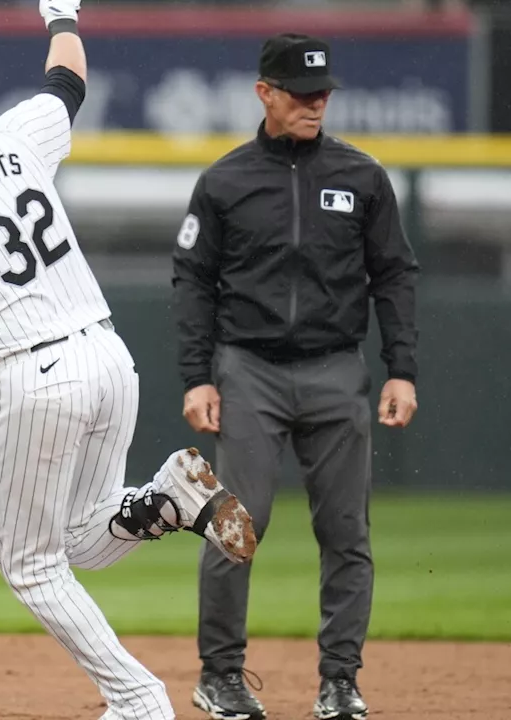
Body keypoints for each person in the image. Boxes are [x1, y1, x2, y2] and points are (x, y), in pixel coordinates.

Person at [0, 4, 258, 719]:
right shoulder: (15, 138)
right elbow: (67, 79)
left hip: (29, 377)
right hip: (106, 354)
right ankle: (170, 500)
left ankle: (137, 700)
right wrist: (61, 11)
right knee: (82, 540)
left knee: (31, 567)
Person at [171, 32, 420, 720]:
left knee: (346, 534)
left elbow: (394, 275)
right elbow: (192, 281)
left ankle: (340, 681)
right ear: (266, 94)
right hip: (248, 370)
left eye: (323, 94)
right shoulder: (225, 181)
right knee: (235, 526)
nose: (316, 105)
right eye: (303, 94)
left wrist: (402, 369)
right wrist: (198, 377)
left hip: (337, 369)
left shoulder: (361, 176)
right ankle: (220, 675)